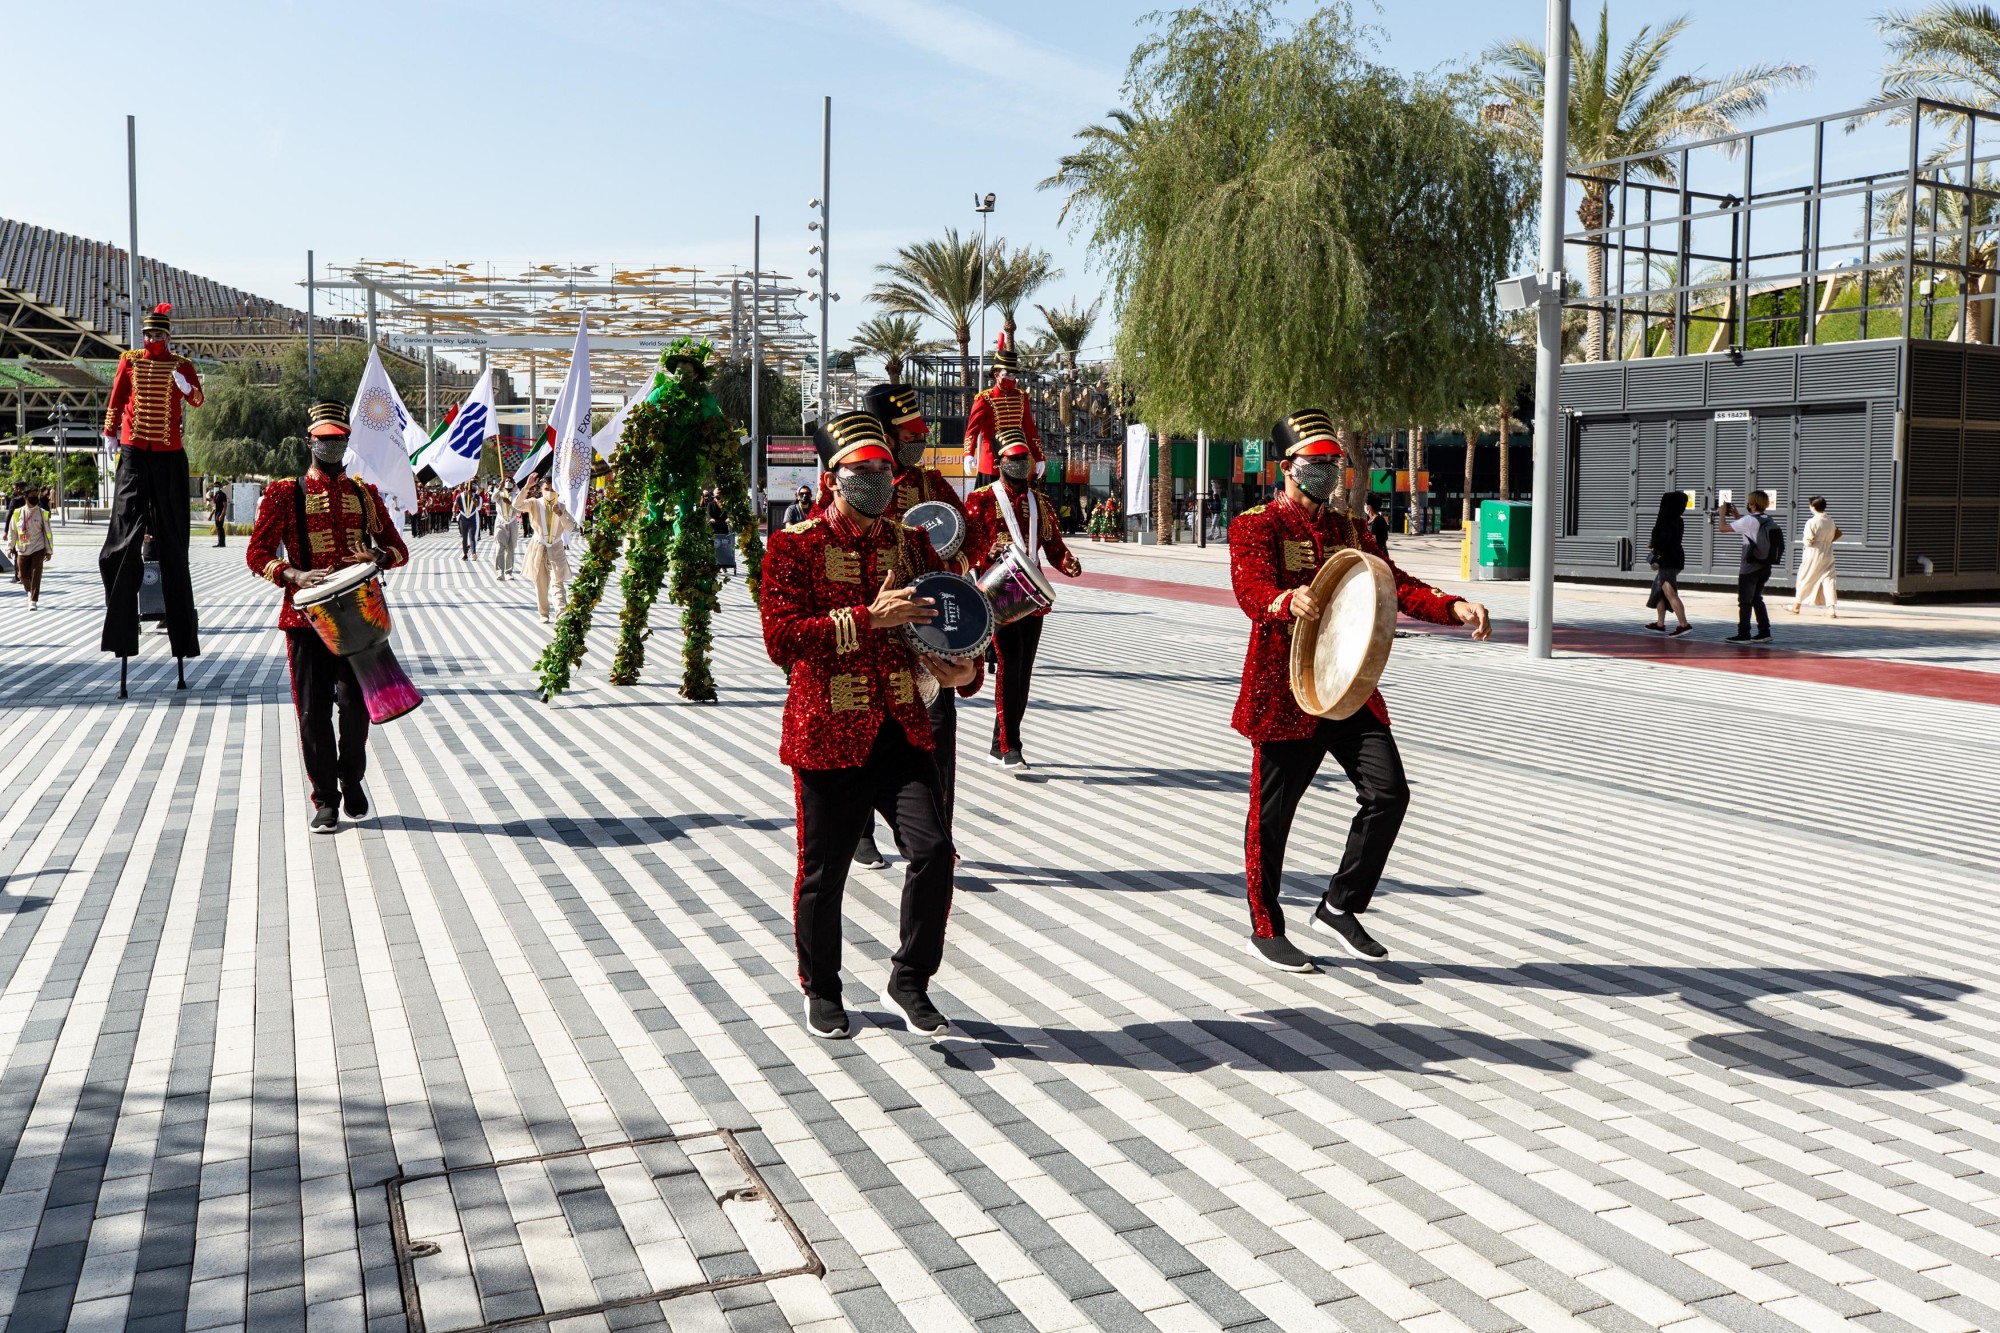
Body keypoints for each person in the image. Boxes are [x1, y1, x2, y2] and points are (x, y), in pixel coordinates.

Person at [1230, 408, 1492, 972]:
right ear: (1288, 467)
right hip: (1288, 689)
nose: (1327, 472)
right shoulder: (1257, 524)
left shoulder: (1349, 529)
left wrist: (1452, 606)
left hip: (1349, 688)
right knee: (1271, 817)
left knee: (1389, 793)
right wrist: (1283, 601)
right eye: (1316, 463)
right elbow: (1250, 587)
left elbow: (1393, 584)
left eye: (1333, 462)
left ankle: (1340, 904)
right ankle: (1265, 925)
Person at [760, 410, 978, 1040]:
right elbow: (781, 639)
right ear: (833, 476)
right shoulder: (795, 544)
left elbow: (946, 620)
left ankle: (910, 978)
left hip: (903, 724)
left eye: (886, 467)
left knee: (935, 850)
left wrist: (963, 670)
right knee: (825, 872)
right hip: (827, 731)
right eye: (866, 469)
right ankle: (822, 990)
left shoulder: (911, 542)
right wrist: (863, 619)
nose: (881, 479)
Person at [244, 402, 410, 834]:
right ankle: (325, 799)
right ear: (309, 441)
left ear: (347, 442)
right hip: (305, 621)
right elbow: (256, 553)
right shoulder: (286, 492)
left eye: (338, 439)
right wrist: (294, 573)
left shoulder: (363, 493)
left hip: (358, 616)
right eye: (324, 439)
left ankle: (351, 776)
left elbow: (398, 550)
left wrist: (375, 555)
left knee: (356, 708)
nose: (331, 446)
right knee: (312, 714)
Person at [848, 382, 980, 871]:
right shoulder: (848, 482)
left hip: (928, 634)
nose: (918, 441)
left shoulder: (931, 484)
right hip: (873, 631)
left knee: (938, 736)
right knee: (862, 733)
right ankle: (860, 833)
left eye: (921, 432)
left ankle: (936, 837)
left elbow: (970, 529)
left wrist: (960, 557)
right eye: (909, 433)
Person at [963, 426, 1083, 776]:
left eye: (1025, 458)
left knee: (1022, 673)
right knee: (1009, 665)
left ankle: (998, 742)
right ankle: (1010, 746)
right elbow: (967, 550)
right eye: (1014, 459)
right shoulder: (982, 500)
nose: (1021, 464)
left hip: (1031, 598)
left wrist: (1068, 563)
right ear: (1000, 461)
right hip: (996, 594)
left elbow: (1054, 546)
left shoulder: (1040, 502)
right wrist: (987, 551)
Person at [99, 301, 204, 679]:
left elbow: (197, 400)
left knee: (174, 544)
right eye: (148, 334)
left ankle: (180, 634)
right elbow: (116, 397)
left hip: (168, 454)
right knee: (121, 543)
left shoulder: (181, 365)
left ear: (168, 336)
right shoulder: (129, 360)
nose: (153, 339)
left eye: (159, 334)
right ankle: (121, 623)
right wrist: (110, 431)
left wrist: (187, 386)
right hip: (134, 450)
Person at [961, 332, 1042, 485]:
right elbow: (972, 431)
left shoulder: (1021, 397)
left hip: (1017, 462)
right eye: (1007, 375)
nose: (1011, 379)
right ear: (996, 375)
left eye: (1013, 375)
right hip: (991, 463)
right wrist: (968, 454)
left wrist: (1039, 457)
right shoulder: (984, 399)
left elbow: (1031, 430)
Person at [1720, 491, 1783, 644]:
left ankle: (1744, 634)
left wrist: (1722, 513)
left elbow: (1722, 528)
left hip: (1750, 565)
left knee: (1745, 601)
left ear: (1752, 504)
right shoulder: (1767, 518)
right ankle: (1764, 632)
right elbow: (1750, 529)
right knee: (1756, 599)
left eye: (1749, 502)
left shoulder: (1748, 520)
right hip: (1765, 565)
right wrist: (1737, 516)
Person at [516, 474, 574, 622]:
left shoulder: (561, 506)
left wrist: (560, 514)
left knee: (557, 580)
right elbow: (517, 505)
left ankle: (561, 612)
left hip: (556, 547)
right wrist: (527, 486)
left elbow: (570, 526)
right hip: (539, 545)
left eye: (553, 489)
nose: (550, 492)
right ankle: (543, 613)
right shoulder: (535, 503)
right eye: (547, 489)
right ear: (541, 489)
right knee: (541, 582)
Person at [1644, 490, 1693, 636]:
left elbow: (1665, 540)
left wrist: (1652, 543)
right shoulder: (1678, 519)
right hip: (1675, 558)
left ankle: (1684, 625)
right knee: (1659, 591)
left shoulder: (1666, 520)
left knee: (1669, 591)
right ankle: (1660, 624)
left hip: (1668, 559)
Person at [1789, 496, 1839, 617]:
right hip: (1828, 551)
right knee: (1829, 579)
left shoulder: (1812, 521)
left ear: (1813, 506)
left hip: (1813, 552)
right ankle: (1831, 608)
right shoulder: (1830, 520)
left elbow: (1808, 540)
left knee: (1806, 577)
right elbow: (1836, 533)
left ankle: (1797, 605)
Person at [9, 488, 52, 609]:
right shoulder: (17, 513)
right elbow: (13, 531)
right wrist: (9, 547)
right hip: (22, 549)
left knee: (36, 574)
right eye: (32, 495)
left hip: (38, 547)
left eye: (36, 495)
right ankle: (29, 590)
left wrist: (48, 551)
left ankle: (33, 600)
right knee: (21, 575)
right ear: (25, 497)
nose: (35, 497)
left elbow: (48, 534)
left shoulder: (42, 513)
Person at [704, 488, 736, 573]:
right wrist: (711, 519)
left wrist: (729, 518)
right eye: (717, 497)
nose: (719, 499)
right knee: (715, 547)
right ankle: (716, 565)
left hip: (723, 528)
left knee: (724, 547)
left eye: (720, 497)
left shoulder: (725, 505)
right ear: (714, 497)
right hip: (714, 529)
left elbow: (729, 514)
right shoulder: (710, 504)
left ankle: (724, 565)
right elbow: (708, 514)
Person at [493, 482, 519, 581]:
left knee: (511, 548)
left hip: (512, 522)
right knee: (500, 547)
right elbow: (493, 498)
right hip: (500, 522)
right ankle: (499, 571)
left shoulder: (516, 496)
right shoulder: (499, 494)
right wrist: (500, 487)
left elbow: (519, 510)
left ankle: (508, 572)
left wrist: (510, 504)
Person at [454, 482, 480, 560]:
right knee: (464, 537)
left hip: (472, 518)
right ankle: (465, 553)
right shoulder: (459, 496)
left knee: (472, 536)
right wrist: (454, 513)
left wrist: (471, 496)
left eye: (468, 489)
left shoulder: (476, 496)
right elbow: (455, 505)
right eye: (465, 488)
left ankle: (473, 553)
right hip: (463, 518)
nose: (466, 490)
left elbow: (477, 504)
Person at [208, 483, 230, 548]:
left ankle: (222, 543)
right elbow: (214, 506)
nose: (215, 487)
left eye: (217, 486)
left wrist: (222, 515)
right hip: (216, 512)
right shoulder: (216, 495)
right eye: (214, 486)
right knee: (218, 528)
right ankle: (220, 542)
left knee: (220, 527)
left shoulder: (223, 495)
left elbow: (225, 506)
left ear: (220, 487)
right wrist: (211, 515)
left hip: (220, 512)